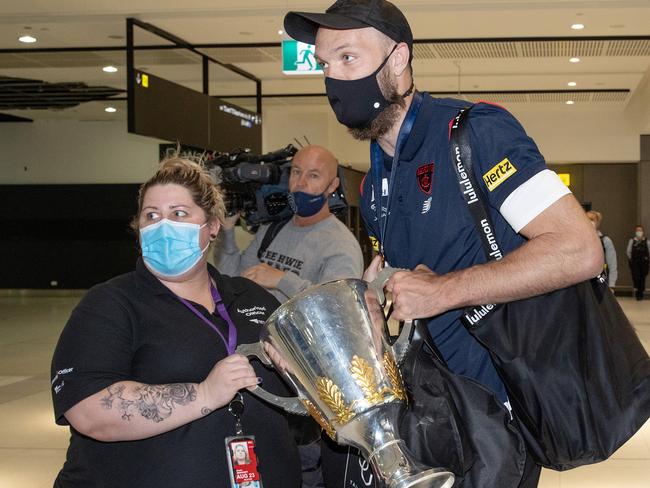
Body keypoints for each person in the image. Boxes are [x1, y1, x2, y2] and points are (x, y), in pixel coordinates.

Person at [284, 1, 603, 486]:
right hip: (431, 415)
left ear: (397, 60)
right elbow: (411, 287)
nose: (335, 82)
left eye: (349, 58)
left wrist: (446, 290)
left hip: (496, 417)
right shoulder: (375, 185)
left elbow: (578, 249)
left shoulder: (476, 133)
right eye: (326, 66)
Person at [50, 157, 301, 488]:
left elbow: (309, 399)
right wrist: (204, 394)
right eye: (151, 215)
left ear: (212, 225)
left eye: (179, 214)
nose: (163, 225)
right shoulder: (111, 304)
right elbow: (89, 411)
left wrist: (298, 374)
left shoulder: (251, 297)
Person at [214, 144, 364, 488]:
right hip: (255, 374)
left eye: (313, 176)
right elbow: (231, 278)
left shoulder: (339, 244)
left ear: (331, 187)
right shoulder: (273, 229)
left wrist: (281, 278)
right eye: (296, 172)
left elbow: (336, 312)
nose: (300, 184)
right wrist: (226, 233)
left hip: (302, 391)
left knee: (299, 473)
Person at [586, 210, 618, 289]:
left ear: (597, 222)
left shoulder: (605, 240)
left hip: (600, 276)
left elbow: (612, 264)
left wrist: (611, 285)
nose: (590, 222)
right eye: (587, 219)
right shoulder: (581, 240)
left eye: (592, 220)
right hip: (584, 279)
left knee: (599, 295)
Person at [627, 225, 650, 300]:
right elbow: (628, 251)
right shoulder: (632, 241)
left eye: (640, 230)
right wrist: (631, 259)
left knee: (642, 277)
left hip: (644, 263)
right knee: (636, 277)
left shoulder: (647, 241)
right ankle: (637, 291)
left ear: (643, 232)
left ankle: (641, 292)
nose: (639, 232)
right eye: (638, 230)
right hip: (635, 263)